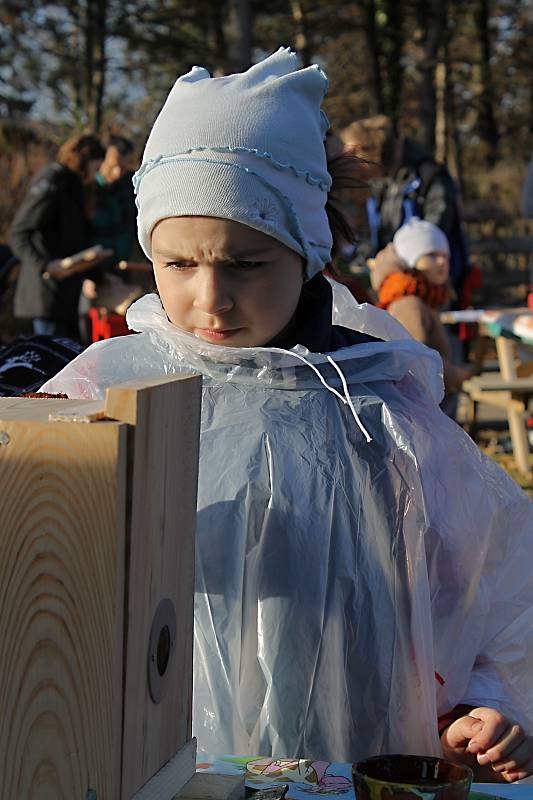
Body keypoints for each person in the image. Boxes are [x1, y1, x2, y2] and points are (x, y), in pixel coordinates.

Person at [41, 49, 533, 779]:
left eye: (244, 263)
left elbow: (481, 590)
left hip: (350, 748)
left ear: (306, 252)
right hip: (158, 759)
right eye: (177, 264)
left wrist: (478, 707)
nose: (210, 297)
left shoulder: (376, 414)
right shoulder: (107, 396)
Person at [340, 116, 471, 298]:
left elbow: (433, 231)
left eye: (355, 158)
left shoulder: (429, 177)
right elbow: (373, 234)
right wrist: (361, 262)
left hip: (433, 284)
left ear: (368, 150)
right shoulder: (381, 186)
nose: (354, 168)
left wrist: (397, 253)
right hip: (394, 282)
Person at [369, 218, 472, 414]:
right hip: (418, 412)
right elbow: (417, 363)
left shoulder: (426, 298)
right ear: (412, 260)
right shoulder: (409, 304)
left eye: (445, 256)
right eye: (432, 255)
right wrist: (456, 375)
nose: (442, 261)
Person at [10, 134, 106, 339]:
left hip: (67, 298)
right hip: (45, 298)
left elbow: (74, 241)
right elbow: (19, 233)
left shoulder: (75, 187)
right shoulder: (52, 180)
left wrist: (101, 275)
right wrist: (46, 265)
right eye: (96, 169)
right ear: (85, 160)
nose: (96, 176)